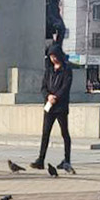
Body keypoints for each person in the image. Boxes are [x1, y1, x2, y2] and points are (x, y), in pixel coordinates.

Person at [32, 44, 74, 173]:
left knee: (64, 133)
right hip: (49, 106)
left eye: (55, 56)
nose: (53, 59)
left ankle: (67, 160)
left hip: (60, 106)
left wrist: (56, 96)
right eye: (51, 56)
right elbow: (43, 87)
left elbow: (66, 87)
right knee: (45, 133)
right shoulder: (49, 70)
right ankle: (40, 160)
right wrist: (48, 96)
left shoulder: (66, 69)